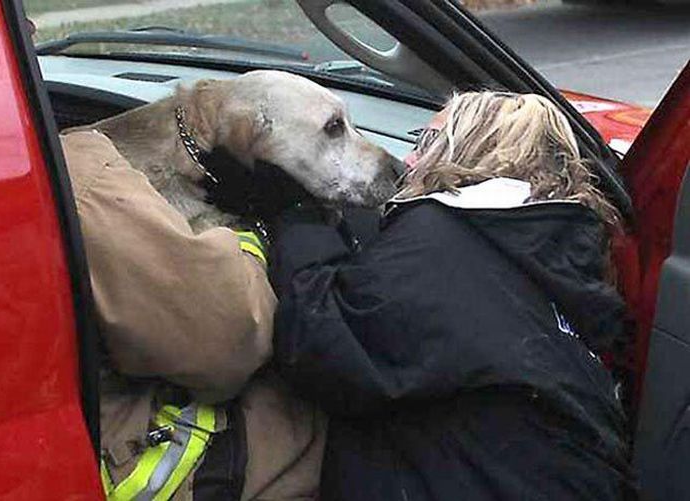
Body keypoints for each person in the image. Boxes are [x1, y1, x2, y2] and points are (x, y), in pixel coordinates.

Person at [267, 92, 636, 500]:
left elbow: (319, 341)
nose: (406, 160)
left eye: (425, 141)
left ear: (472, 147)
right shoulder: (547, 255)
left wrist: (300, 215)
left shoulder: (440, 238)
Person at [61, 130, 326, 501]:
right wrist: (253, 240)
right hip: (114, 462)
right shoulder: (75, 174)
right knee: (321, 425)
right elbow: (229, 342)